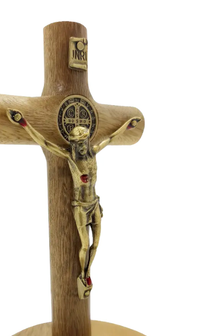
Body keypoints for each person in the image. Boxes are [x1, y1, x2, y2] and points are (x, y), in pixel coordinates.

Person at [8, 108, 141, 298]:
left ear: (87, 141)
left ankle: (87, 272)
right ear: (73, 144)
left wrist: (128, 125)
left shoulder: (93, 152)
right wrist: (23, 123)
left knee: (96, 244)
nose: (81, 146)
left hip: (94, 203)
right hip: (80, 207)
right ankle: (83, 274)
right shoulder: (70, 157)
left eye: (83, 142)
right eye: (77, 143)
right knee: (85, 245)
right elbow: (45, 142)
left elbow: (111, 137)